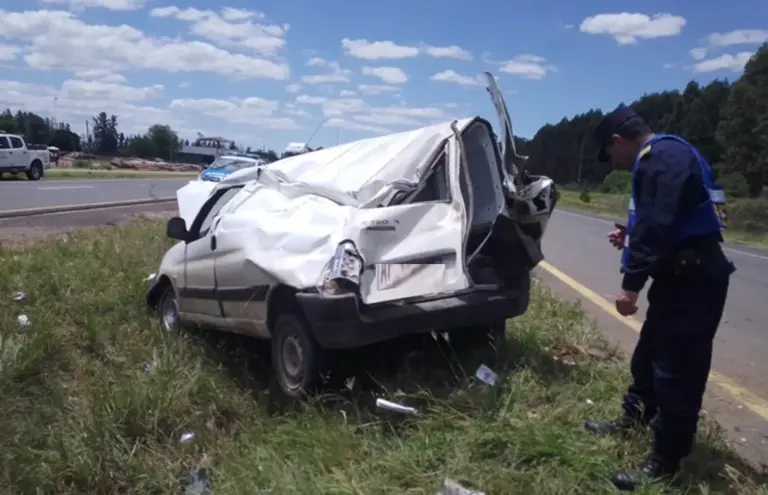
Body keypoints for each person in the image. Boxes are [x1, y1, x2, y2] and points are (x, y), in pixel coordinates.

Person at [586, 103, 735, 491]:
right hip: (680, 275)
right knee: (649, 357)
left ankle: (665, 463)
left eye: (609, 154)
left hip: (694, 280)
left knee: (677, 372)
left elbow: (657, 223)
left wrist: (629, 287)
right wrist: (631, 237)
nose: (612, 162)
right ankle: (633, 419)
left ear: (618, 140)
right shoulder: (670, 153)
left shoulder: (661, 157)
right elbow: (669, 223)